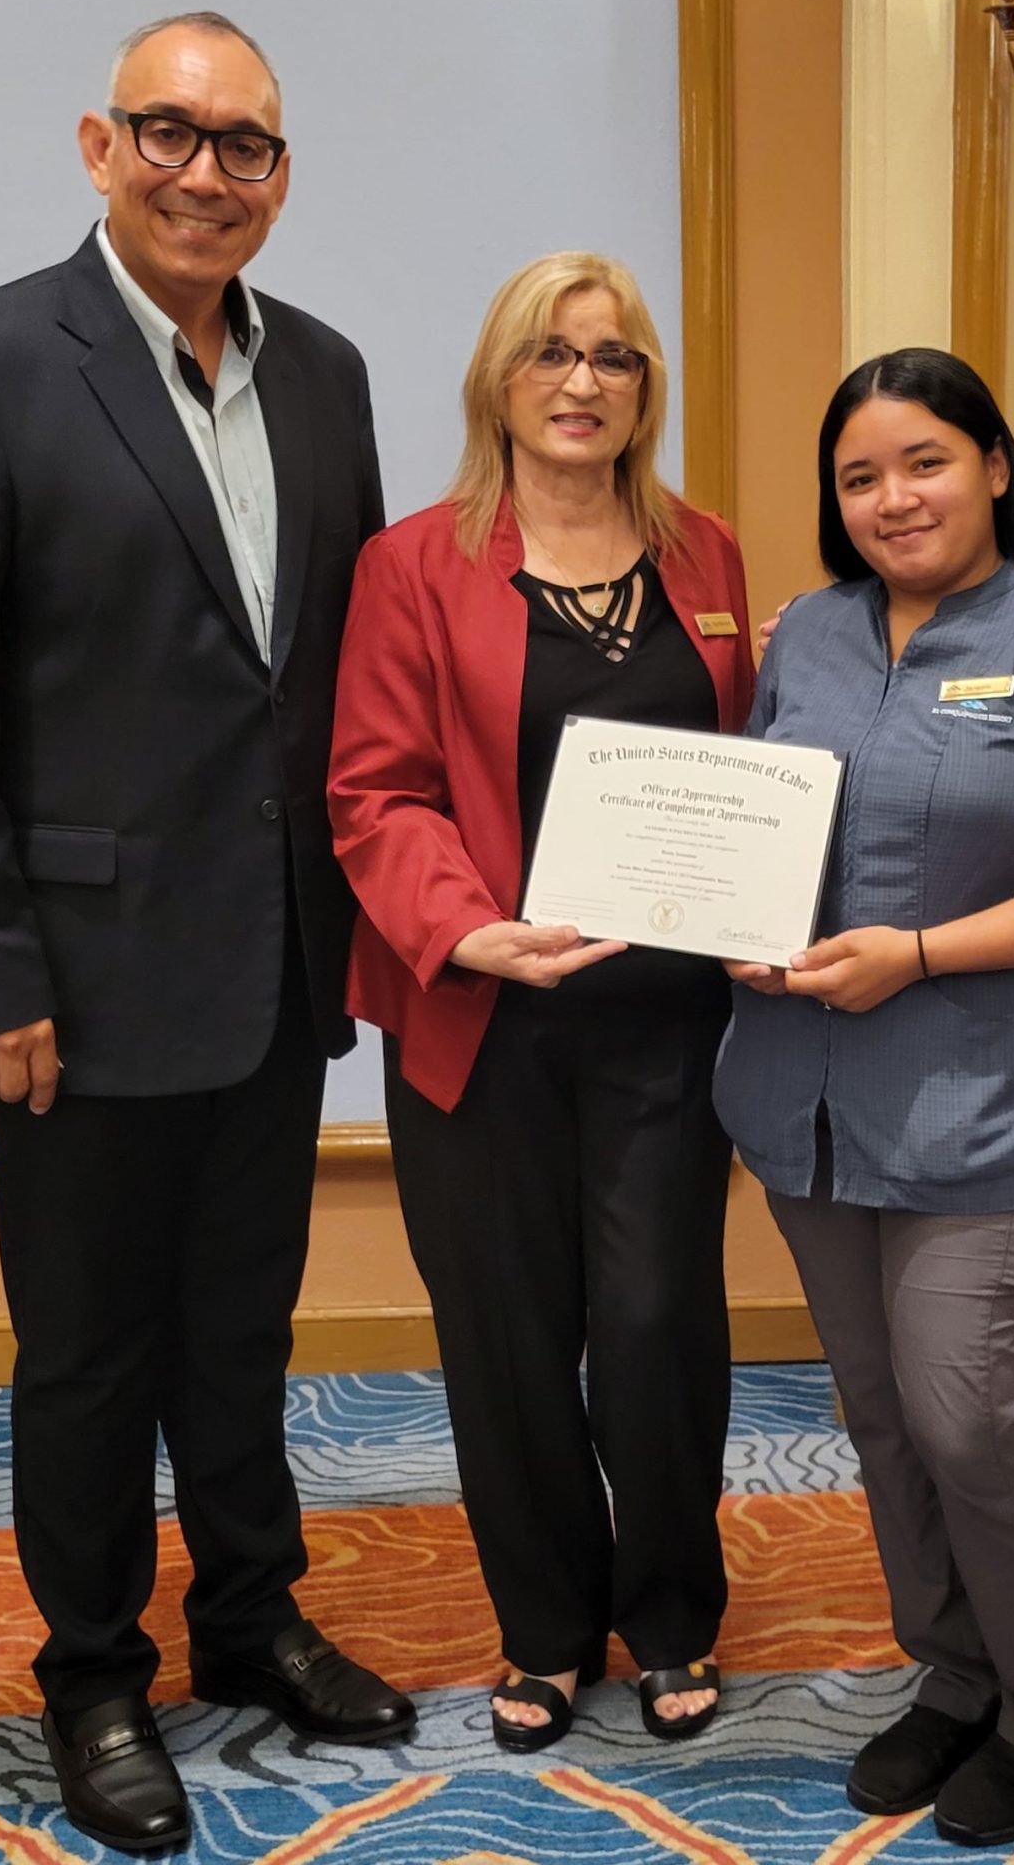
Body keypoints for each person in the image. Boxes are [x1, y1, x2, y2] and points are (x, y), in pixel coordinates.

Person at [0, 11, 411, 1855]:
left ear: (282, 178)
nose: (205, 174)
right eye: (170, 132)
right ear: (99, 146)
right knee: (87, 1353)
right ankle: (93, 1671)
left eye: (245, 146)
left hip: (275, 966)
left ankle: (249, 1617)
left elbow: (339, 681)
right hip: (70, 989)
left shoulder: (326, 374)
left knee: (241, 1329)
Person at [714, 348, 1014, 1847]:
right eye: (860, 477)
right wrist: (727, 915)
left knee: (972, 1414)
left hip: (999, 1113)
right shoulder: (812, 635)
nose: (894, 498)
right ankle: (959, 1670)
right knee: (884, 1420)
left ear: (992, 464)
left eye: (924, 461)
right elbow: (758, 820)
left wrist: (918, 954)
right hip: (808, 1102)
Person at [329, 254, 753, 1751]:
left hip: (670, 1026)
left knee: (656, 1325)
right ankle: (548, 1627)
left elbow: (746, 769)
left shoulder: (708, 554)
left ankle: (674, 1610)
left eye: (615, 357)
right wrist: (472, 933)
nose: (584, 383)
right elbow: (376, 791)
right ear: (498, 382)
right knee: (506, 1337)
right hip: (483, 1020)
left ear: (646, 388)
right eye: (551, 355)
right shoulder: (412, 565)